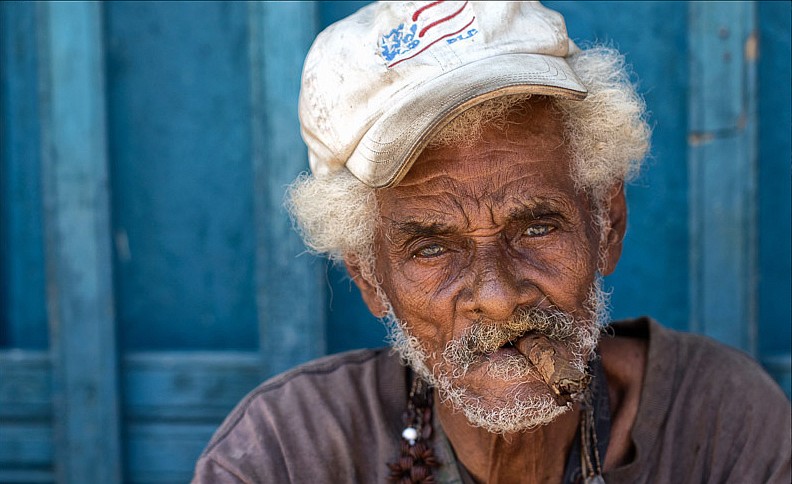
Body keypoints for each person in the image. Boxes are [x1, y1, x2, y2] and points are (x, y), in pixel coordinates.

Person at [193, 2, 791, 482]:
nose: (498, 297)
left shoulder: (725, 426)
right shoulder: (283, 455)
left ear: (607, 223)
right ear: (368, 278)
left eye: (536, 226)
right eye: (432, 247)